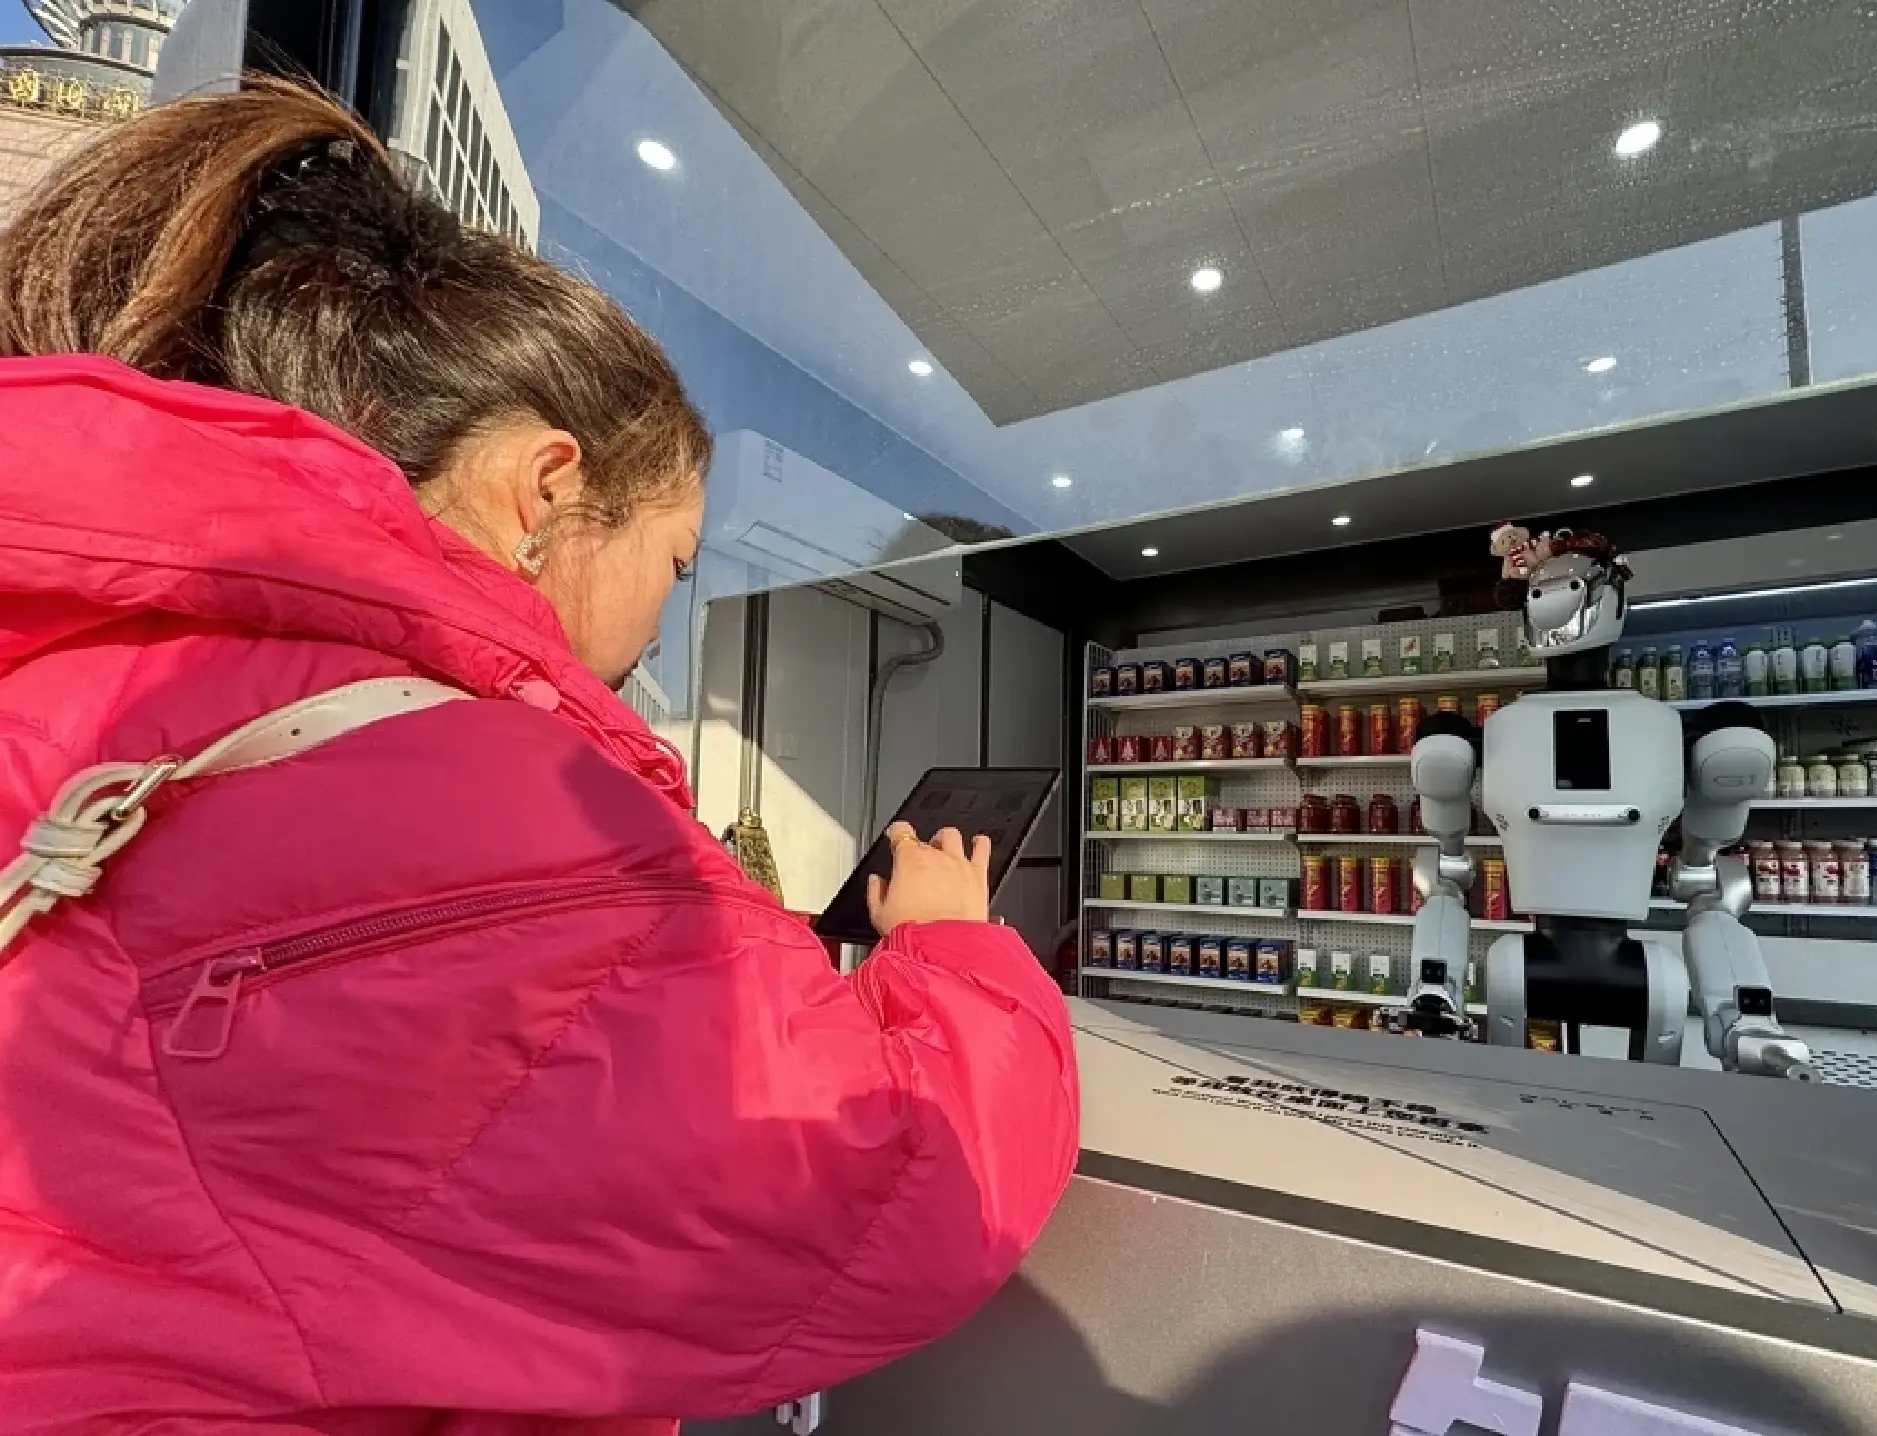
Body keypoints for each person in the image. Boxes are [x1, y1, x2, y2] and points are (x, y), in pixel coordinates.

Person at [0, 79, 1078, 1432]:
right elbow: (892, 1191)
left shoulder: (90, 643)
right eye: (672, 563)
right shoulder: (474, 786)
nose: (660, 623)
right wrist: (957, 947)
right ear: (547, 490)